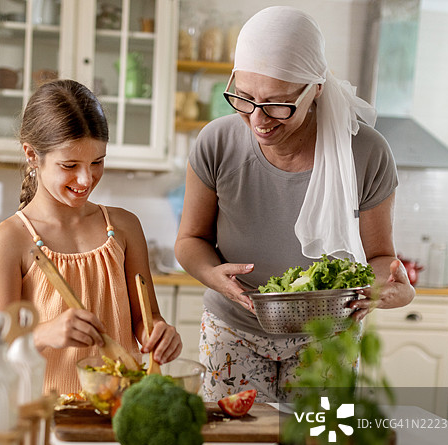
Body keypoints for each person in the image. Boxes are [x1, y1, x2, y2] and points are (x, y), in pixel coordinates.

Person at [174, 6, 415, 403]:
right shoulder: (216, 143)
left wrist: (386, 288)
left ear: (315, 88)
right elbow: (189, 240)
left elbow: (379, 258)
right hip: (232, 328)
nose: (258, 119)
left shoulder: (366, 153)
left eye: (278, 103)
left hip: (327, 336)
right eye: (244, 98)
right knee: (233, 438)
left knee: (319, 439)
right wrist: (212, 275)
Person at [0, 79, 182, 394]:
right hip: (43, 407)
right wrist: (45, 333)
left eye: (97, 162)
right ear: (32, 155)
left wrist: (159, 333)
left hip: (118, 404)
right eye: (69, 165)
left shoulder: (124, 227)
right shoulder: (10, 239)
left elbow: (146, 318)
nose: (86, 178)